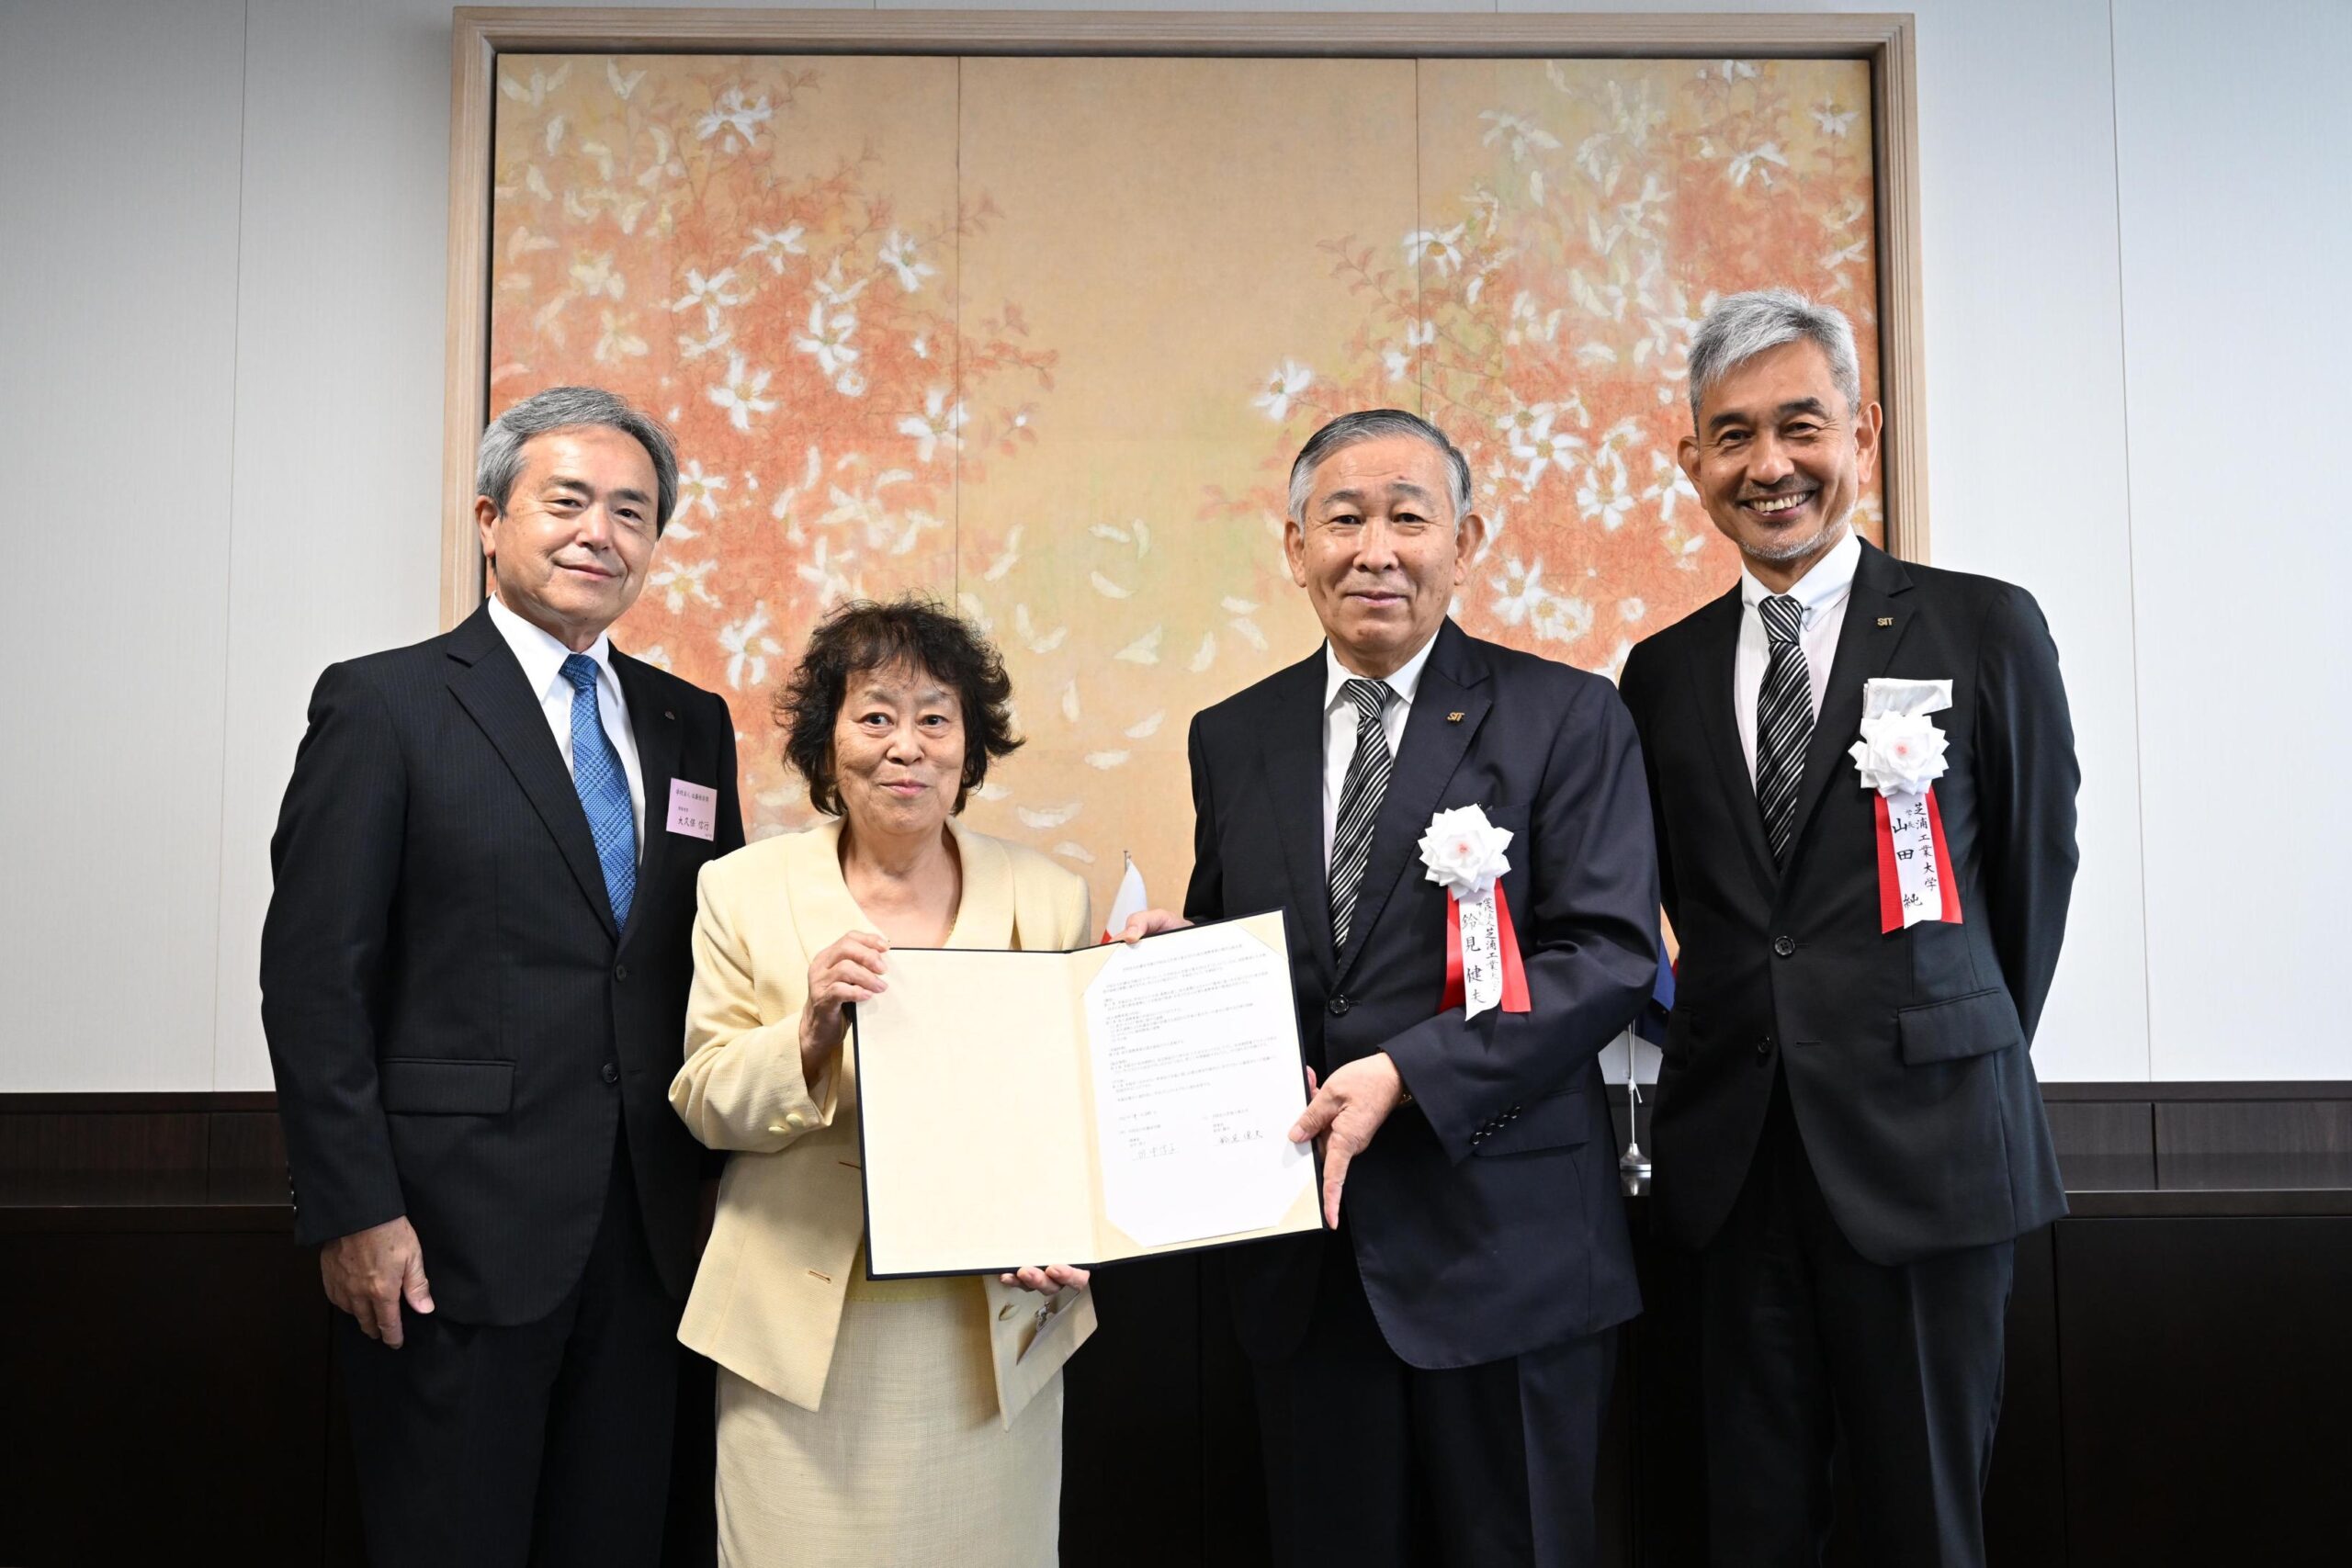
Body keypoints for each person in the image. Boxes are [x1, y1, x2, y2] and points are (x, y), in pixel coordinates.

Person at [1124, 410, 1660, 1567]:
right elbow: (1260, 949)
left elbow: (1608, 956)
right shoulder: (1235, 734)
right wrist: (1184, 967)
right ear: (1293, 545)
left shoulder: (1566, 716)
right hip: (1305, 1266)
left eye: (1408, 517)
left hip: (1506, 1252)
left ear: (1463, 541)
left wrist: (1407, 1073)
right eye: (1344, 518)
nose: (1376, 548)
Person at [1617, 288, 2079, 1566]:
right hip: (1730, 1168)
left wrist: (1942, 1034)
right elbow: (1673, 906)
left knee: (1923, 1520)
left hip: (1929, 1150)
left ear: (1861, 433)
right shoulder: (1659, 671)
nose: (1769, 465)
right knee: (1751, 1519)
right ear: (1691, 459)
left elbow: (2035, 874)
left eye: (1800, 425)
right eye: (1733, 435)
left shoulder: (1983, 626)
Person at [259, 386, 744, 1565]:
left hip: (649, 1239)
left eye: (633, 512)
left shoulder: (692, 723)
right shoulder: (385, 703)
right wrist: (356, 1210)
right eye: (567, 500)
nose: (600, 533)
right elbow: (315, 980)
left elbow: (722, 952)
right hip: (445, 1238)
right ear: (490, 519)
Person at [668, 597, 1096, 1568]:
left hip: (992, 1329)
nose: (905, 746)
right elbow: (702, 1097)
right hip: (799, 1330)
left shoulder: (1048, 894)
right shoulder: (742, 889)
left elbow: (1072, 1111)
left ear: (969, 748)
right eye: (874, 716)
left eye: (935, 718)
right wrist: (810, 1032)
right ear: (827, 748)